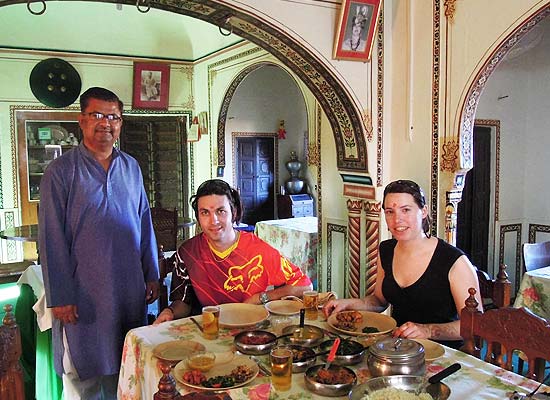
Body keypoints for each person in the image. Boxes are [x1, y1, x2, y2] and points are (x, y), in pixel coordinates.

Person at [39, 87, 160, 399]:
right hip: (82, 295)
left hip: (127, 288)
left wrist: (151, 273)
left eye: (114, 117)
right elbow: (51, 237)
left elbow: (144, 220)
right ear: (82, 120)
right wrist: (61, 295)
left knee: (125, 368)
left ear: (120, 123)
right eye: (97, 115)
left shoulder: (131, 167)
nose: (106, 122)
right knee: (84, 376)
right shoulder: (61, 172)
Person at [323, 179, 482, 348]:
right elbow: (379, 300)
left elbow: (475, 326)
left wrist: (428, 330)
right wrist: (349, 304)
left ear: (423, 211)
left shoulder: (454, 261)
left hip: (444, 355)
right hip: (399, 348)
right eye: (390, 212)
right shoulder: (386, 250)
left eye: (406, 210)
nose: (397, 219)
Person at [154, 179, 312, 323]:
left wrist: (261, 297)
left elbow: (304, 285)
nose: (213, 220)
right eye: (205, 213)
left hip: (251, 327)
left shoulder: (258, 250)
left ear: (233, 213)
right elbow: (183, 303)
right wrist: (170, 312)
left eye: (220, 211)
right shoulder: (188, 252)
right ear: (198, 217)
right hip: (210, 330)